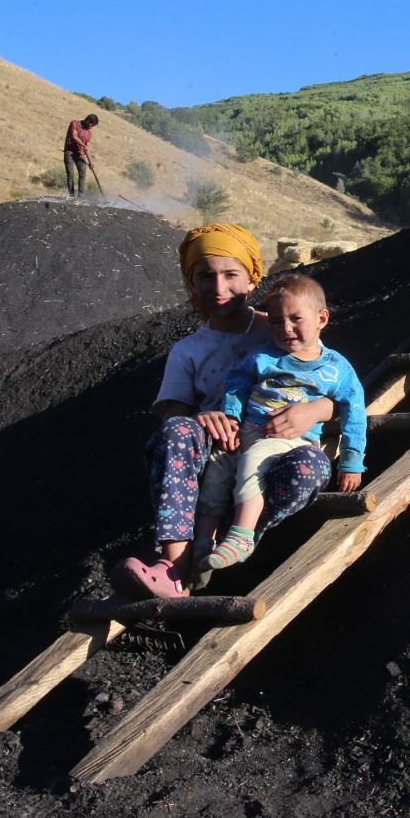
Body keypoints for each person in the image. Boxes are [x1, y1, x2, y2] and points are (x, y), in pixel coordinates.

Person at [118, 224, 336, 600]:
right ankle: (176, 566)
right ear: (192, 283)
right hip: (216, 454)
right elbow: (173, 418)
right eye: (205, 276)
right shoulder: (188, 351)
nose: (218, 287)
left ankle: (236, 538)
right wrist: (201, 418)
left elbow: (334, 389)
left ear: (252, 278)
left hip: (277, 450)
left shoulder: (285, 328)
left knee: (312, 466)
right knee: (177, 431)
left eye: (230, 274)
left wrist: (314, 410)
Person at [200, 273, 366, 573]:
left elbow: (354, 412)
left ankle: (241, 536)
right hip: (246, 432)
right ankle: (202, 544)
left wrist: (351, 462)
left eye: (295, 319)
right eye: (276, 321)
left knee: (253, 462)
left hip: (286, 441)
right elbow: (237, 381)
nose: (285, 328)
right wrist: (232, 416)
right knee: (216, 468)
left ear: (321, 319)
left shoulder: (335, 368)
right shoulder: (265, 356)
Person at [63, 114, 99, 198]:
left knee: (82, 174)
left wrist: (90, 162)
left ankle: (81, 195)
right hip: (69, 153)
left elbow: (87, 148)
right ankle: (72, 195)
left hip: (80, 155)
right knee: (70, 174)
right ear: (88, 121)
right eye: (92, 125)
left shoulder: (88, 133)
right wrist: (84, 145)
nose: (91, 127)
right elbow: (74, 136)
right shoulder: (75, 123)